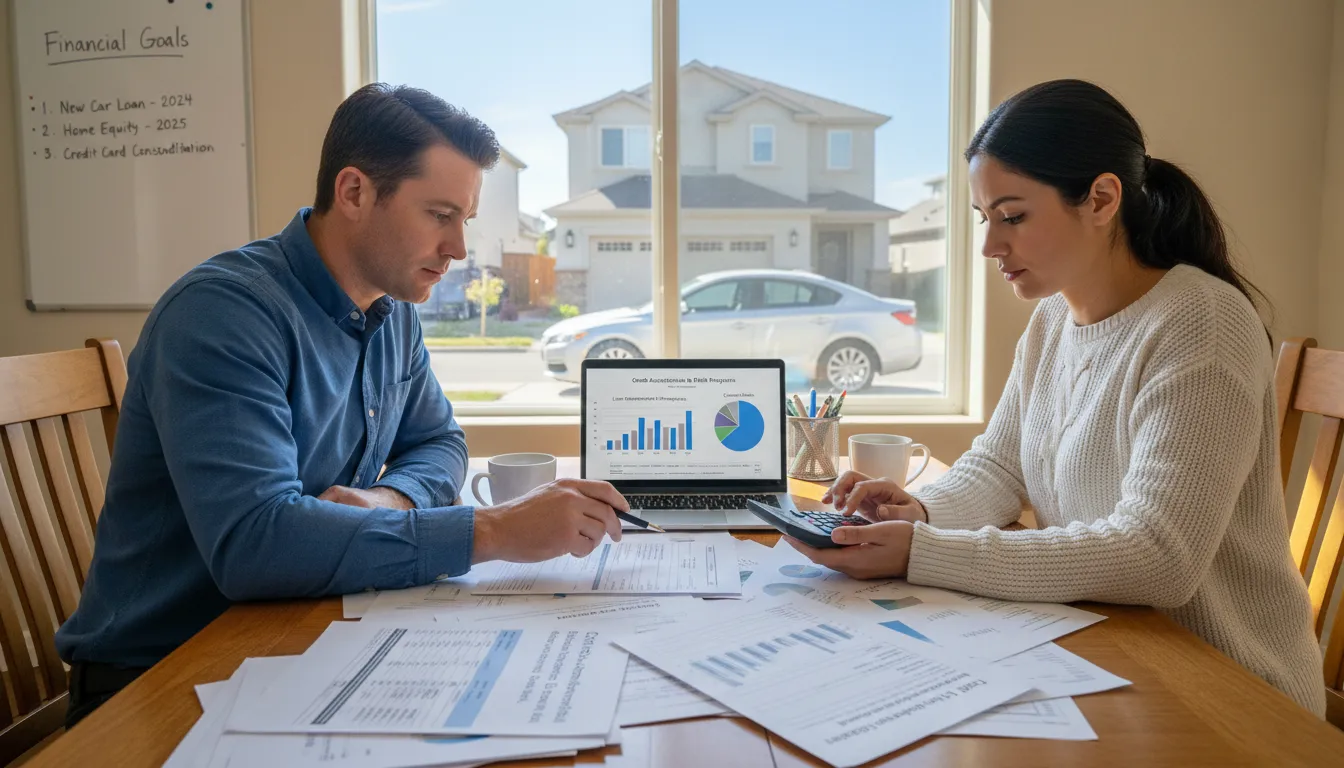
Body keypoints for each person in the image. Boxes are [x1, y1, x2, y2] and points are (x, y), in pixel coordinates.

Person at [56, 84, 630, 727]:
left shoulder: (392, 311)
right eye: (439, 214)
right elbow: (255, 546)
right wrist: (494, 531)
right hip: (158, 682)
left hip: (301, 641)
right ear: (354, 192)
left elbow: (440, 442)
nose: (459, 249)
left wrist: (391, 499)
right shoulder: (221, 315)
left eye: (464, 219)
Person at [788, 79, 1325, 716]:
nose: (990, 246)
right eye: (985, 218)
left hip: (1229, 692)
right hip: (1116, 650)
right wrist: (920, 512)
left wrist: (924, 552)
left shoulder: (1201, 324)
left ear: (1101, 199)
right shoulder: (1052, 320)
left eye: (1013, 216)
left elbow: (1158, 557)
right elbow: (999, 467)